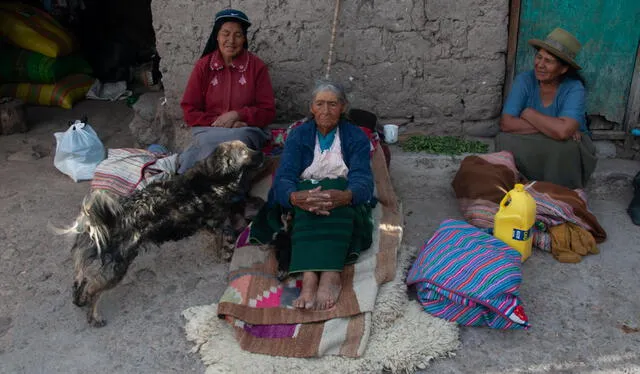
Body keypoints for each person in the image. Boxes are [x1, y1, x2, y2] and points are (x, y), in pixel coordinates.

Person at [257, 80, 374, 310]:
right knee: (307, 205)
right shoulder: (299, 136)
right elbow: (284, 177)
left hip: (341, 195)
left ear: (343, 107)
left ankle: (330, 275)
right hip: (305, 192)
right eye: (320, 104)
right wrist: (294, 197)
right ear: (311, 107)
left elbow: (363, 179)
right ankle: (309, 278)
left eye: (332, 104)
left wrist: (347, 196)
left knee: (336, 205)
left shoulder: (356, 137)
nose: (326, 111)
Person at [496, 28, 597, 189]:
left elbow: (563, 132)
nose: (540, 65)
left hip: (565, 148)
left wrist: (528, 113)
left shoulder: (574, 88)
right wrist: (554, 128)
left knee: (566, 148)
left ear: (563, 69)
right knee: (504, 138)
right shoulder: (524, 80)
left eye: (548, 61)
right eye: (539, 57)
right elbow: (506, 123)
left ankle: (551, 189)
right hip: (540, 141)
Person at [178, 9, 276, 174]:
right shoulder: (203, 66)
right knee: (208, 142)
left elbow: (268, 111)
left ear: (244, 38)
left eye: (238, 35)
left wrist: (238, 115)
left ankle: (210, 184)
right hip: (208, 128)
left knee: (237, 144)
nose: (231, 40)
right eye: (225, 34)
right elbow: (189, 111)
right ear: (217, 36)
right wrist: (220, 122)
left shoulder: (256, 67)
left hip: (246, 129)